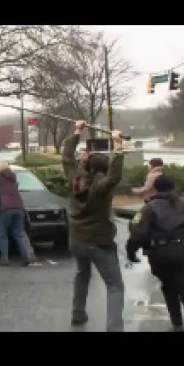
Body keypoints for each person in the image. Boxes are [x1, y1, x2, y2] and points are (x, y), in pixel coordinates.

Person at [62, 121, 125, 332]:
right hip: (99, 241)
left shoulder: (74, 180)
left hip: (77, 239)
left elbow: (67, 158)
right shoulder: (101, 187)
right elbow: (115, 175)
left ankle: (77, 313)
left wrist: (77, 132)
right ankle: (114, 328)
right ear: (103, 171)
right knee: (115, 286)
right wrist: (118, 147)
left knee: (82, 273)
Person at [127, 175, 184, 332]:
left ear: (155, 188)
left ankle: (177, 325)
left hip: (159, 254)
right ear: (174, 187)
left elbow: (138, 234)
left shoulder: (149, 208)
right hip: (183, 252)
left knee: (169, 288)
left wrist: (131, 252)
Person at [0, 162, 32, 266]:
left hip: (5, 208)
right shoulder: (13, 180)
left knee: (2, 234)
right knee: (19, 233)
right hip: (19, 207)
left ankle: (4, 258)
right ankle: (26, 256)